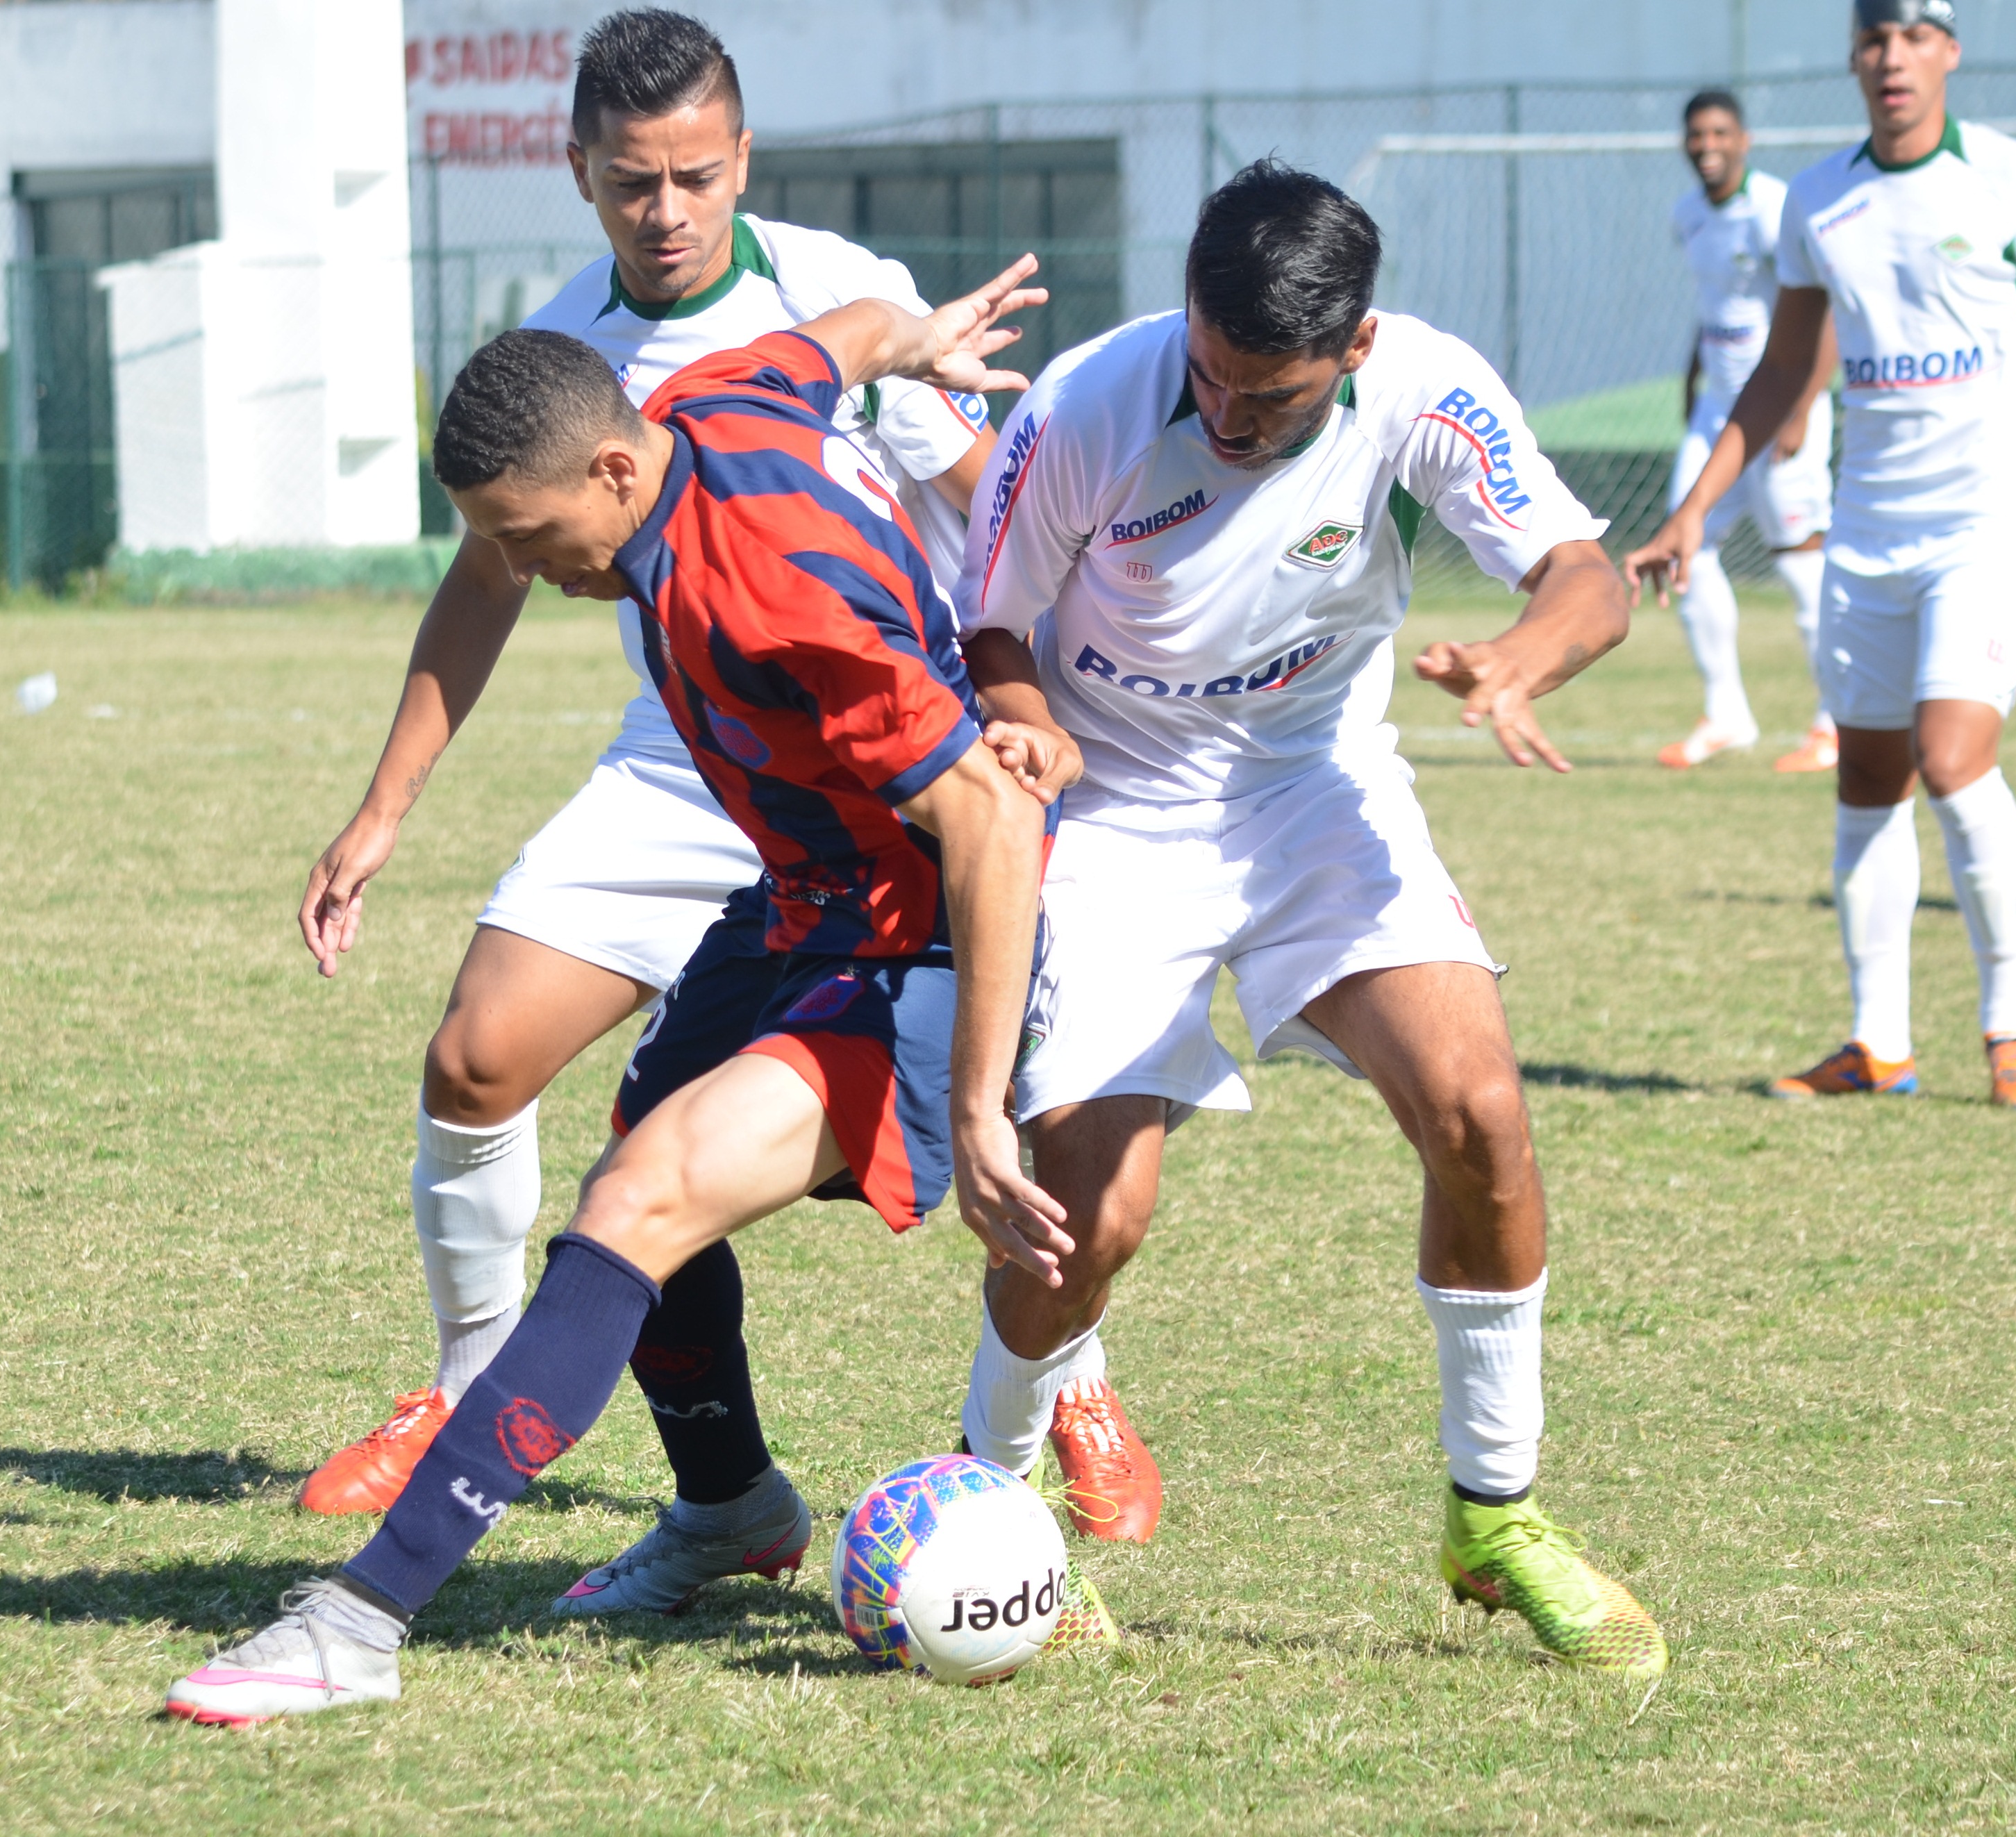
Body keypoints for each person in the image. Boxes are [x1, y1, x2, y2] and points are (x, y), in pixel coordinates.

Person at [295, 11, 1152, 1597]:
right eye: (633, 182)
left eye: (694, 175)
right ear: (580, 174)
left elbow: (987, 520)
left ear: (741, 159)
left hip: (882, 764)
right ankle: (532, 1420)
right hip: (704, 766)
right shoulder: (579, 362)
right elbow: (490, 576)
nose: (666, 209)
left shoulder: (818, 308)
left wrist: (1030, 707)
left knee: (994, 1112)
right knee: (504, 1073)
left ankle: (1055, 1384)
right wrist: (384, 805)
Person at [167, 265, 1068, 1725]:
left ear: (608, 469)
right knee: (630, 1176)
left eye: (529, 537)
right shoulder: (708, 401)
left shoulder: (772, 589)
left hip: (917, 941)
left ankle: (358, 1622)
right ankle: (730, 1507)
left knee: (640, 1200)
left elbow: (993, 819)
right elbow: (832, 339)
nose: (525, 570)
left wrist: (978, 1108)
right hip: (800, 901)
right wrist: (912, 339)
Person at [947, 160, 1667, 1672]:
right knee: (1090, 1214)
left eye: (1266, 398)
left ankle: (1495, 1515)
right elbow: (991, 624)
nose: (1225, 416)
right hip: (1113, 807)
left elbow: (1586, 576)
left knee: (1479, 1113)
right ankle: (989, 1506)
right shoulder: (1085, 405)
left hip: (1314, 790)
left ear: (1354, 347)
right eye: (1208, 374)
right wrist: (1034, 728)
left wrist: (1523, 659)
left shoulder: (1424, 389)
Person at [1627, 0, 2016, 1108]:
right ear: (1854, 59)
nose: (1890, 56)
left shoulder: (2015, 176)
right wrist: (1695, 508)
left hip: (1986, 525)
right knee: (1866, 776)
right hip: (1869, 528)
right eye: (1872, 39)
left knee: (1950, 758)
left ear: (1948, 51)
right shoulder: (1817, 198)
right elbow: (1781, 369)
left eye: (1912, 36)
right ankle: (1877, 1044)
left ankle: (2013, 1026)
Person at [1658, 88, 1842, 774]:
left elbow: (1821, 311)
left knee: (1799, 560)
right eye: (1696, 135)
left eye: (1719, 133)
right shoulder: (1687, 216)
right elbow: (1714, 307)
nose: (1707, 146)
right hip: (1717, 412)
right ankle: (1726, 714)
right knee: (1684, 548)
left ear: (1743, 140)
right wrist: (1691, 379)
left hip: (1780, 406)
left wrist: (1800, 407)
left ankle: (1835, 723)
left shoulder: (1775, 208)